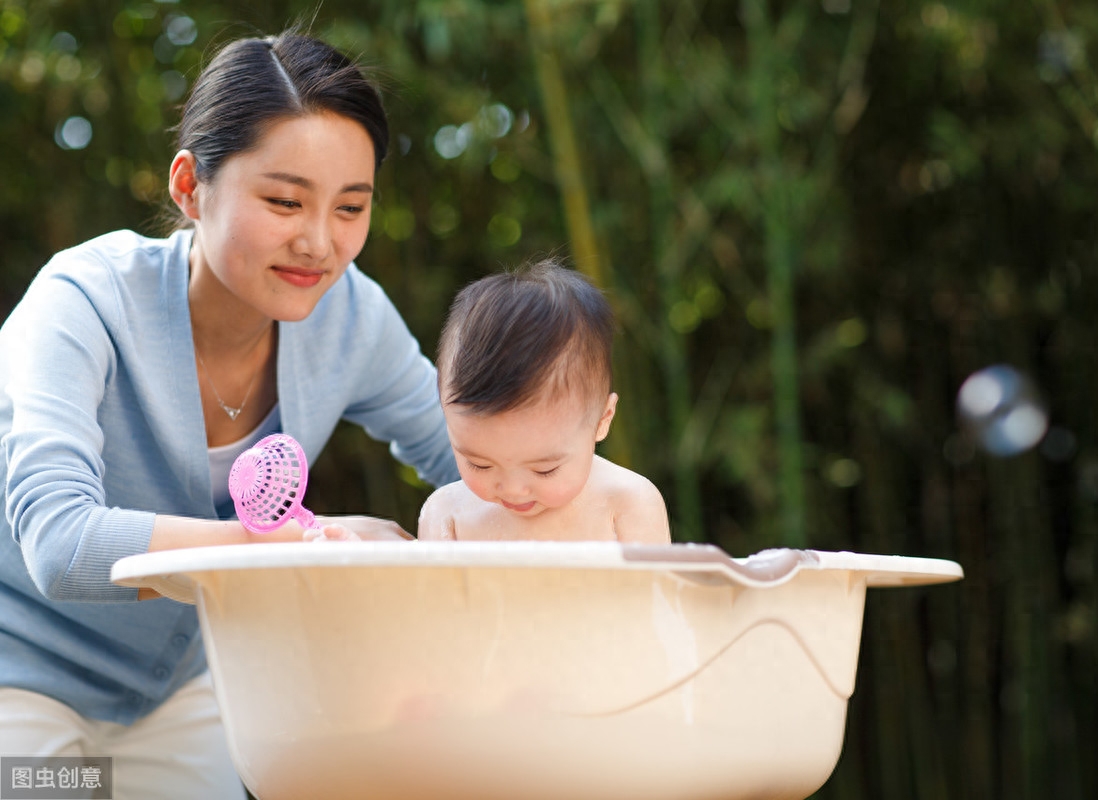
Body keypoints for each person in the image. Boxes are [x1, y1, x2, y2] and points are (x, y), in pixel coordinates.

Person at [0, 27, 458, 798]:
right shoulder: (80, 302)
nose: (319, 243)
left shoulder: (352, 319)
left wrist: (625, 520)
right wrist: (290, 548)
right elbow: (60, 542)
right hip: (19, 680)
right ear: (189, 186)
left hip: (176, 691)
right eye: (283, 201)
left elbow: (476, 459)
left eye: (351, 207)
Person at [417, 259, 671, 544]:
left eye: (544, 470)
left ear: (603, 419)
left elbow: (655, 589)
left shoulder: (626, 504)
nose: (513, 490)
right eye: (479, 464)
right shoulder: (448, 514)